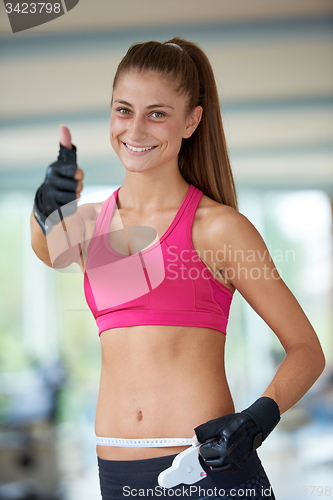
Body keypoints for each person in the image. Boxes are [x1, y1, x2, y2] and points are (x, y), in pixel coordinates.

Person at [30, 38, 325, 499]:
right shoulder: (92, 225)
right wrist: (44, 204)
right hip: (116, 477)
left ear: (191, 120)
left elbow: (307, 349)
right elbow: (47, 249)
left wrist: (256, 420)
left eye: (158, 113)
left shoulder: (219, 228)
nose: (137, 128)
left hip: (206, 471)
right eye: (124, 110)